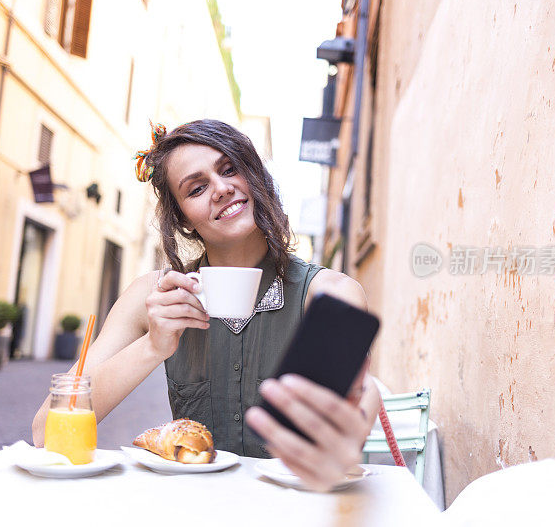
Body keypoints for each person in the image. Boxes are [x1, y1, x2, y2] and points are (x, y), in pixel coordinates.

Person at [32, 119, 380, 491]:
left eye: (230, 169)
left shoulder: (329, 294)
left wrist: (357, 408)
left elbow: (352, 418)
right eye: (197, 188)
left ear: (256, 176)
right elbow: (45, 431)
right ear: (182, 218)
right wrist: (152, 347)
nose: (221, 189)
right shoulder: (152, 295)